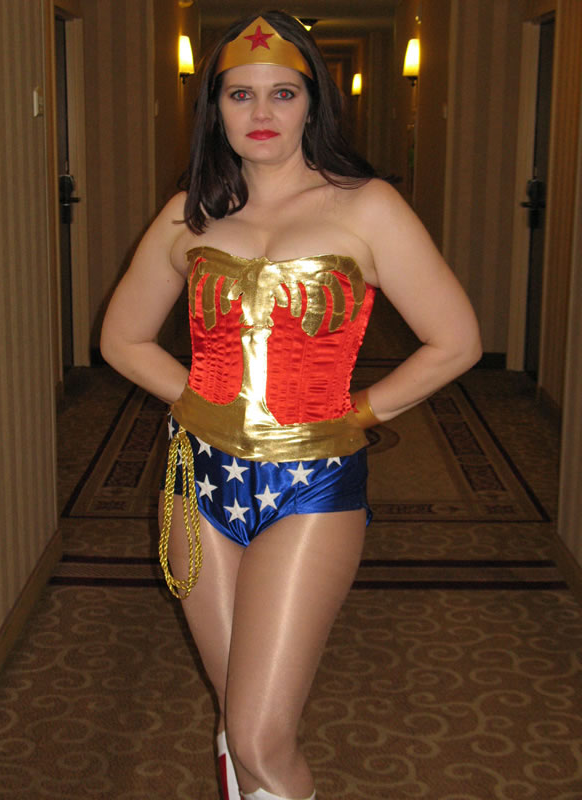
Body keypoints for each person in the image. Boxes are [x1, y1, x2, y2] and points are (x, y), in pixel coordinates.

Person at [100, 11, 481, 800]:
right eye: (240, 94)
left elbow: (455, 342)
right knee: (237, 718)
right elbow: (123, 340)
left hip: (312, 485)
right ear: (216, 108)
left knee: (261, 736)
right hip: (197, 485)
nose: (262, 112)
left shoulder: (367, 206)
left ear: (314, 103)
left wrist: (355, 413)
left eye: (283, 92)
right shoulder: (188, 213)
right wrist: (204, 402)